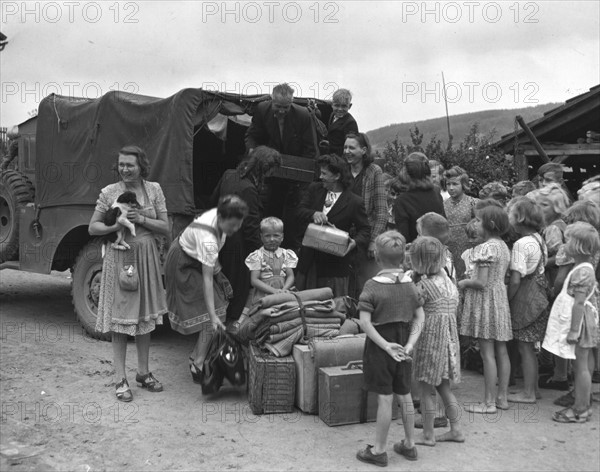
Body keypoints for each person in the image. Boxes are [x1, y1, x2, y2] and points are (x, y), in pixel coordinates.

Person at [89, 145, 170, 402]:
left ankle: (143, 373)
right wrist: (116, 223)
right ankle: (120, 378)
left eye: (130, 165)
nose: (125, 169)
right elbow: (93, 227)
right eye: (121, 164)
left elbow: (165, 227)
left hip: (146, 258)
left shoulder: (154, 190)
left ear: (141, 166)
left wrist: (141, 219)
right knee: (120, 320)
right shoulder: (110, 192)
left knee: (144, 318)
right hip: (120, 258)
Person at [356, 231, 425, 466]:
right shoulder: (411, 285)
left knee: (385, 398)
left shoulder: (372, 285)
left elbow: (365, 322)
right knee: (404, 393)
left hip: (380, 344)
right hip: (404, 341)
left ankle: (379, 450)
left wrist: (386, 346)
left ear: (376, 257)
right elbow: (420, 317)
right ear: (402, 258)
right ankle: (409, 444)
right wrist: (409, 345)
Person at [164, 195, 248, 384]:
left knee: (219, 305)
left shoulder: (219, 218)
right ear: (221, 218)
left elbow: (212, 264)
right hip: (182, 263)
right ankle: (198, 362)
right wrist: (213, 316)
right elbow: (207, 278)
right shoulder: (208, 238)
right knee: (217, 310)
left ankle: (195, 357)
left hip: (194, 258)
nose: (235, 229)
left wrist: (221, 276)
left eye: (238, 225)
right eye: (232, 225)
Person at [209, 146, 282, 322]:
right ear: (264, 168)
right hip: (237, 246)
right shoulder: (248, 189)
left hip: (219, 237)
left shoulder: (229, 175)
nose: (272, 174)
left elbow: (213, 201)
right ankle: (227, 333)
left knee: (220, 289)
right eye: (271, 170)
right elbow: (250, 228)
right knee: (236, 291)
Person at [245, 83, 317, 250]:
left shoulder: (303, 115)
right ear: (271, 100)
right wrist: (252, 151)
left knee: (292, 219)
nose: (282, 110)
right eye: (278, 106)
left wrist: (303, 177)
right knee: (270, 210)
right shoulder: (262, 109)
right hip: (270, 172)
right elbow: (252, 136)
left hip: (295, 176)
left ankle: (290, 251)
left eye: (286, 107)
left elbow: (310, 150)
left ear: (292, 102)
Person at [410, 236, 464, 446]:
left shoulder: (424, 286)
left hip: (431, 341)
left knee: (425, 390)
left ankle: (428, 435)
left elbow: (413, 309)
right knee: (444, 388)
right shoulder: (449, 283)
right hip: (449, 341)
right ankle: (456, 430)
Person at [458, 205, 512, 413]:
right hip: (499, 298)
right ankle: (502, 397)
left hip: (486, 300)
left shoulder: (484, 249)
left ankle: (488, 402)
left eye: (478, 221)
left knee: (487, 353)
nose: (475, 224)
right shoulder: (503, 247)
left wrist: (464, 283)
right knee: (501, 350)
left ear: (488, 224)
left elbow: (480, 282)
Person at [543, 222, 599, 423]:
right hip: (581, 321)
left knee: (581, 366)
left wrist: (574, 330)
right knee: (582, 365)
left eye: (568, 241)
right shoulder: (581, 267)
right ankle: (583, 403)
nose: (564, 245)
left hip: (580, 323)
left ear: (578, 246)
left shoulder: (583, 271)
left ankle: (580, 409)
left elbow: (579, 303)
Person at [296, 154, 370, 297]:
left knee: (331, 308)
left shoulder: (354, 202)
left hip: (334, 267)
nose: (320, 176)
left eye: (324, 173)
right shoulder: (315, 189)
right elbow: (299, 211)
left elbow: (365, 230)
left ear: (337, 176)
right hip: (309, 263)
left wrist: (353, 242)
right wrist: (313, 214)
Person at [506, 197, 549, 405]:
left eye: (512, 214)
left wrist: (508, 298)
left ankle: (529, 393)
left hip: (526, 299)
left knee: (525, 347)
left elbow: (516, 279)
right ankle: (535, 389)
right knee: (530, 346)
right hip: (539, 297)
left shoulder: (521, 244)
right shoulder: (538, 239)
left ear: (519, 218)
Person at [344, 132, 388, 295]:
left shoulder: (373, 171)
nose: (347, 151)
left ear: (363, 150)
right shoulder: (343, 171)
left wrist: (374, 240)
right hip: (343, 235)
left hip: (365, 237)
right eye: (345, 147)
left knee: (364, 285)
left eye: (351, 148)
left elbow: (382, 211)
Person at [244, 217, 298, 306]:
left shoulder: (286, 254)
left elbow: (290, 276)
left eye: (276, 235)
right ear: (261, 237)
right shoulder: (258, 256)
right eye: (267, 236)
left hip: (283, 294)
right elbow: (254, 280)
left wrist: (284, 289)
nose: (272, 239)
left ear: (282, 237)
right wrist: (274, 291)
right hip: (264, 295)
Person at [393, 153, 445, 243]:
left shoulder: (402, 201)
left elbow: (403, 237)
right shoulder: (436, 192)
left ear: (406, 173)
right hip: (438, 249)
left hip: (416, 252)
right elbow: (443, 225)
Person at [443, 166, 479, 280]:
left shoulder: (473, 203)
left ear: (463, 184)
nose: (451, 188)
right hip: (449, 248)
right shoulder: (442, 204)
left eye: (455, 184)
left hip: (468, 247)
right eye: (448, 184)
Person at [326, 89, 358, 156]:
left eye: (344, 106)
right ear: (332, 104)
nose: (340, 109)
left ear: (349, 106)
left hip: (339, 159)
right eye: (337, 105)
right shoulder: (332, 115)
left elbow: (351, 147)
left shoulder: (350, 123)